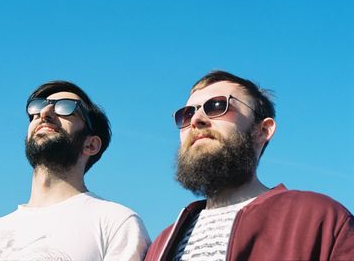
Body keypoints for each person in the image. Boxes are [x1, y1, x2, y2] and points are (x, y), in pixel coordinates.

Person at [145, 71, 354, 261]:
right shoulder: (160, 244)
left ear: (262, 130)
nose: (196, 120)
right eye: (187, 114)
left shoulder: (320, 219)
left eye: (217, 106)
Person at [0, 81, 151, 261]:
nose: (44, 112)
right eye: (38, 107)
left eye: (65, 107)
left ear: (91, 144)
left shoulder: (117, 222)